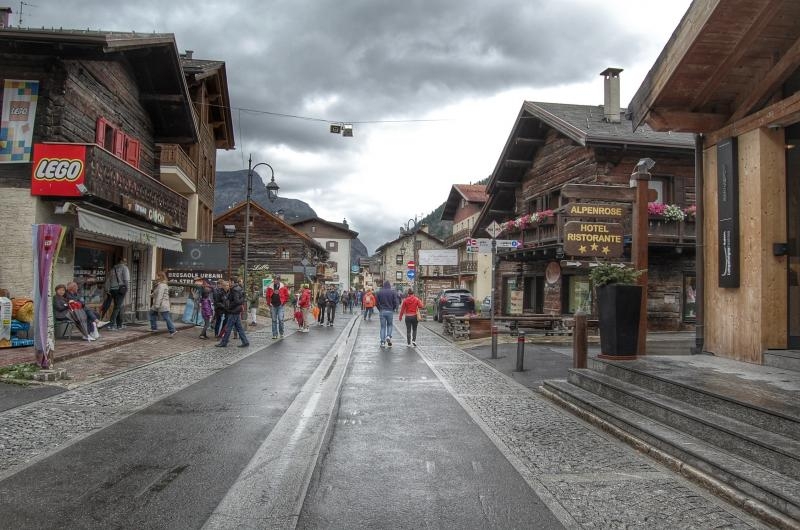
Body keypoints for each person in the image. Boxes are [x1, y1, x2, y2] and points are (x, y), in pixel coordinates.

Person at [215, 279, 249, 348]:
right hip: (236, 310)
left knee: (228, 328)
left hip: (233, 311)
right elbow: (241, 299)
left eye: (229, 282)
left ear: (232, 282)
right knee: (239, 328)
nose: (229, 284)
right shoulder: (239, 288)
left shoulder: (234, 290)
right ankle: (245, 342)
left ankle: (224, 342)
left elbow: (236, 301)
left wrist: (229, 307)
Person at [149, 271, 177, 336]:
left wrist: (157, 305)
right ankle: (154, 328)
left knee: (166, 317)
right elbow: (156, 293)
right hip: (161, 304)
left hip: (162, 304)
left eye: (156, 275)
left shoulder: (162, 285)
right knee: (152, 313)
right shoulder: (160, 284)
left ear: (160, 277)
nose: (155, 276)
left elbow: (160, 295)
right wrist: (151, 295)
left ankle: (173, 330)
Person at [107, 257, 130, 330]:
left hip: (112, 289)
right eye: (124, 261)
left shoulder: (112, 269)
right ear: (121, 261)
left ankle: (119, 324)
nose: (126, 262)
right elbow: (126, 279)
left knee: (118, 306)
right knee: (117, 307)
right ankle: (111, 325)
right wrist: (127, 288)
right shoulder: (124, 268)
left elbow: (108, 280)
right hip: (120, 289)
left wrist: (108, 289)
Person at [376, 280, 398, 347]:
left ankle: (382, 342)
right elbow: (395, 302)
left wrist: (380, 309)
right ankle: (388, 336)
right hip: (390, 311)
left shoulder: (379, 292)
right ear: (389, 285)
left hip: (382, 311)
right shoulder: (393, 292)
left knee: (382, 327)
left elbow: (377, 303)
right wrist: (393, 309)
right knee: (390, 325)